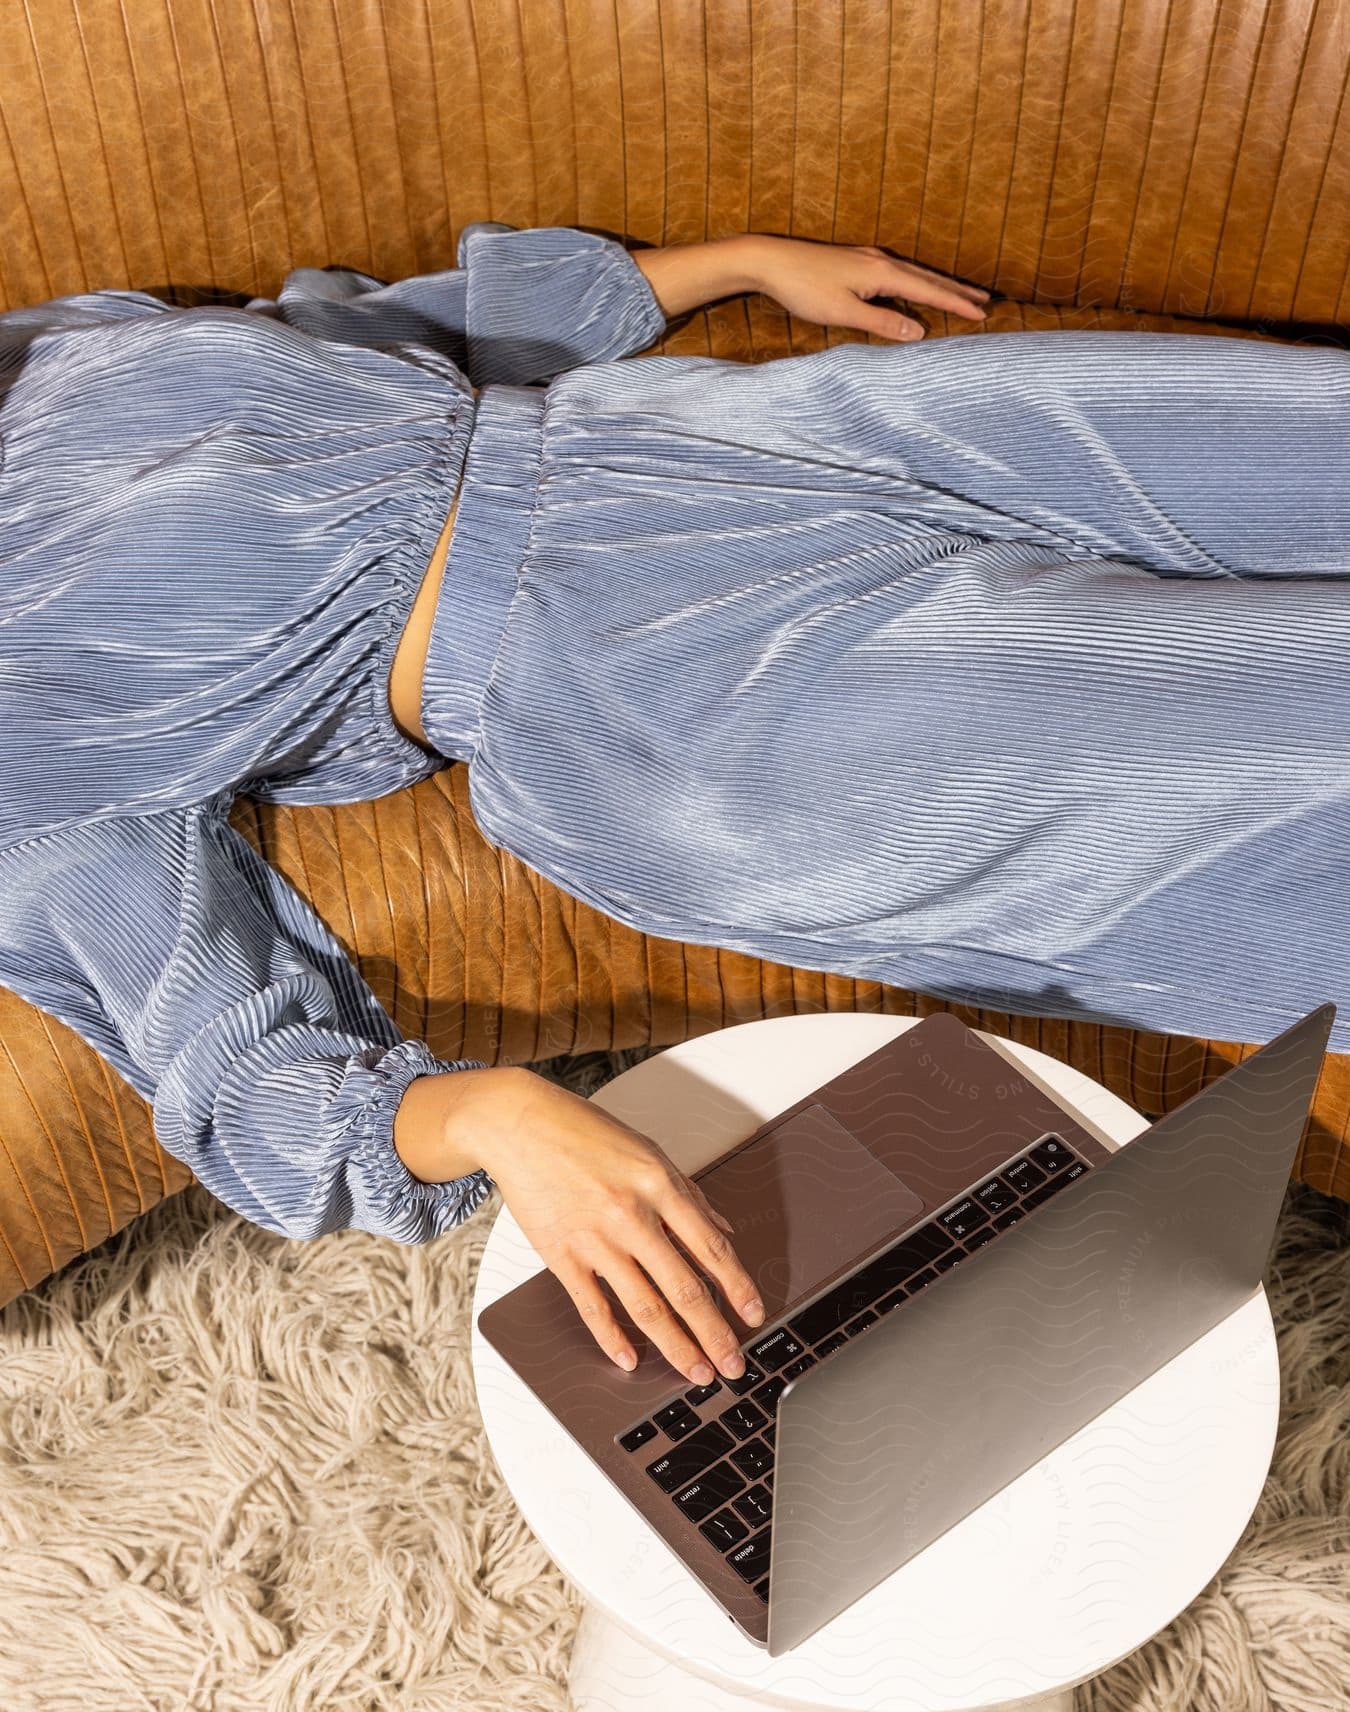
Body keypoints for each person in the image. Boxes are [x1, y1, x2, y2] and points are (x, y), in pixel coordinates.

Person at [1, 224, 1346, 1390]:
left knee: (1301, 442)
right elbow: (236, 1085)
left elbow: (349, 335)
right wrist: (489, 1117)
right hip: (664, 708)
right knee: (1287, 742)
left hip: (716, 440)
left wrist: (724, 266)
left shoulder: (38, 350)